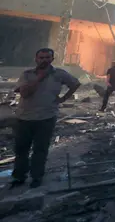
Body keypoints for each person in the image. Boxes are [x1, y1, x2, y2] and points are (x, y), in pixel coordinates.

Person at [12, 48, 81, 188]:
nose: (44, 60)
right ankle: (19, 177)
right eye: (41, 57)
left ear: (52, 59)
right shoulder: (27, 74)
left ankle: (36, 177)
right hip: (24, 118)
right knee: (21, 150)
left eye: (47, 57)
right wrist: (39, 78)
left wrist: (63, 98)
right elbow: (24, 94)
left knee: (40, 149)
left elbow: (75, 83)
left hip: (46, 118)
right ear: (36, 59)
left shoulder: (59, 74)